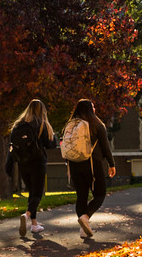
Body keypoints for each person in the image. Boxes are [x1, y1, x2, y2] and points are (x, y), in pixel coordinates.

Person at [62, 98, 115, 239]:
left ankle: (83, 230)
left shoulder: (70, 125)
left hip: (73, 164)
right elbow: (105, 146)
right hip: (92, 164)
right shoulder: (96, 124)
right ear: (90, 110)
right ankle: (85, 217)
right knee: (100, 194)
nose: (95, 109)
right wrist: (111, 164)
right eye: (93, 107)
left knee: (81, 196)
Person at [8, 99, 54, 239]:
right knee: (37, 193)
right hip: (38, 163)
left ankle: (34, 224)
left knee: (31, 192)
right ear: (42, 110)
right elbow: (50, 144)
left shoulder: (17, 125)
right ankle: (27, 215)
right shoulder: (41, 124)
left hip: (23, 164)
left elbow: (11, 145)